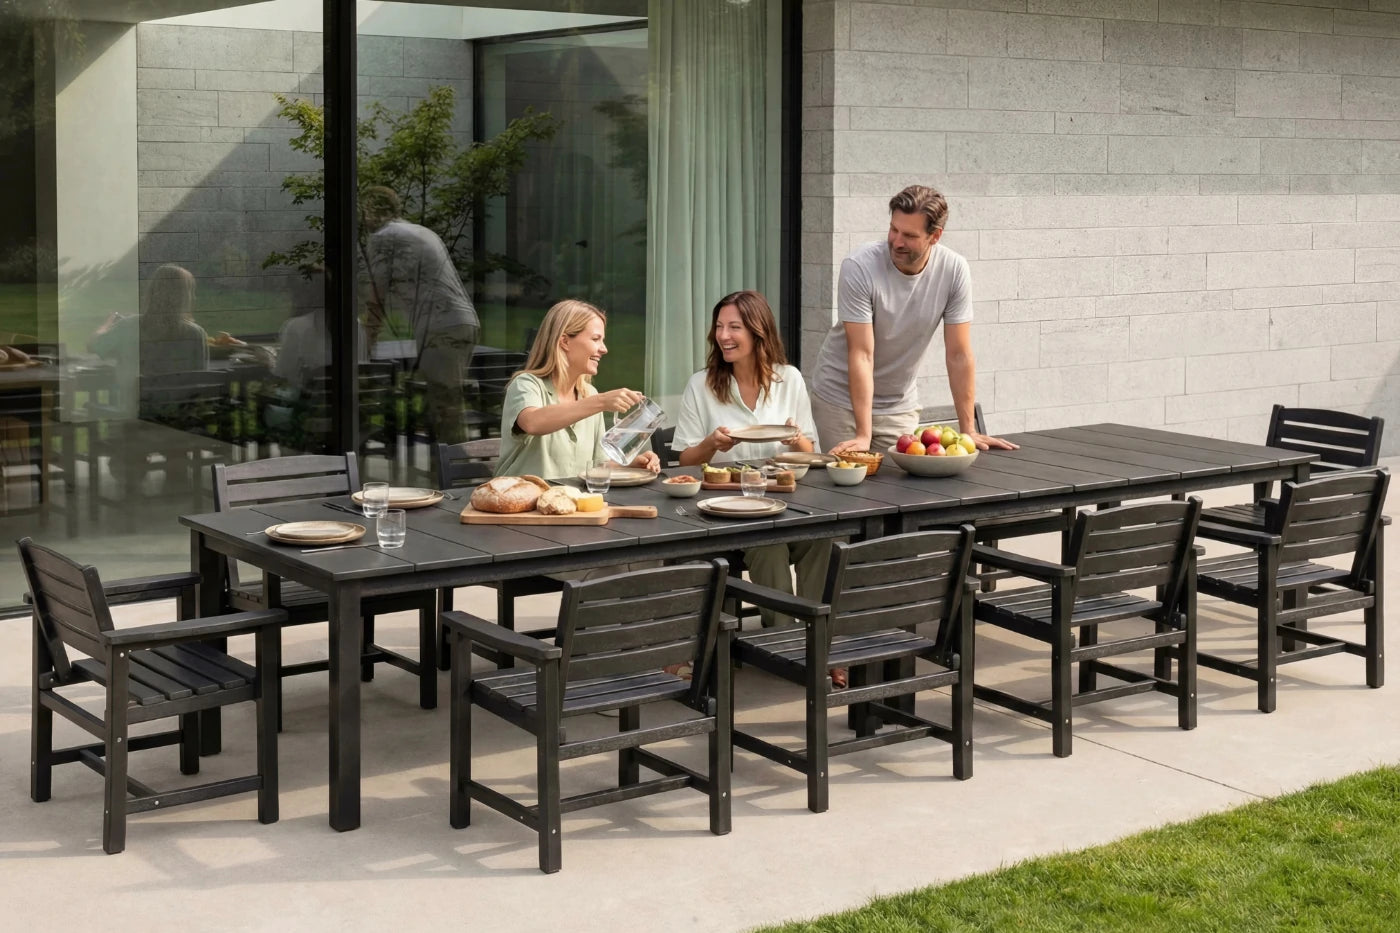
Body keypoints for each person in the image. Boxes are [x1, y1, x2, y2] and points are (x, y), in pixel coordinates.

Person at [808, 185, 1016, 456]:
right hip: (841, 401)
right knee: (852, 485)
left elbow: (959, 354)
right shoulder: (859, 267)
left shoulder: (953, 270)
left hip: (898, 404)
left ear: (935, 236)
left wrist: (968, 431)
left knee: (902, 490)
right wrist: (863, 434)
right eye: (893, 229)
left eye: (909, 235)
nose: (896, 241)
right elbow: (862, 354)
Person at [672, 289, 831, 635]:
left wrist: (795, 439)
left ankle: (819, 638)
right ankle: (784, 639)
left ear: (759, 332)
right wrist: (712, 444)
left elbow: (811, 451)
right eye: (719, 327)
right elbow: (685, 459)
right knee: (770, 546)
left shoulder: (789, 379)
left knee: (822, 539)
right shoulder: (701, 385)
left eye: (734, 327)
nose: (724, 336)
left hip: (786, 499)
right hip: (724, 506)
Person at [361, 185, 479, 446]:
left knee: (445, 407)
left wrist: (365, 346)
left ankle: (453, 473)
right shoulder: (420, 232)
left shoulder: (384, 237)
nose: (362, 217)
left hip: (442, 327)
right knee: (444, 402)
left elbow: (376, 297)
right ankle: (448, 468)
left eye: (365, 210)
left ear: (373, 211)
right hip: (461, 322)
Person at [496, 298, 660, 479]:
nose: (604, 349)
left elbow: (596, 464)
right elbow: (533, 422)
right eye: (596, 339)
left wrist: (632, 463)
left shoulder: (589, 394)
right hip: (521, 502)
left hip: (572, 503)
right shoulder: (527, 384)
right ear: (565, 341)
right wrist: (602, 402)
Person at [90, 263, 208, 378]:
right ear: (185, 297)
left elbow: (94, 346)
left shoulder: (128, 326)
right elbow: (200, 379)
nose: (194, 297)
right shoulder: (196, 333)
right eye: (192, 292)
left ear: (152, 292)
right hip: (179, 398)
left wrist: (108, 323)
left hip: (137, 397)